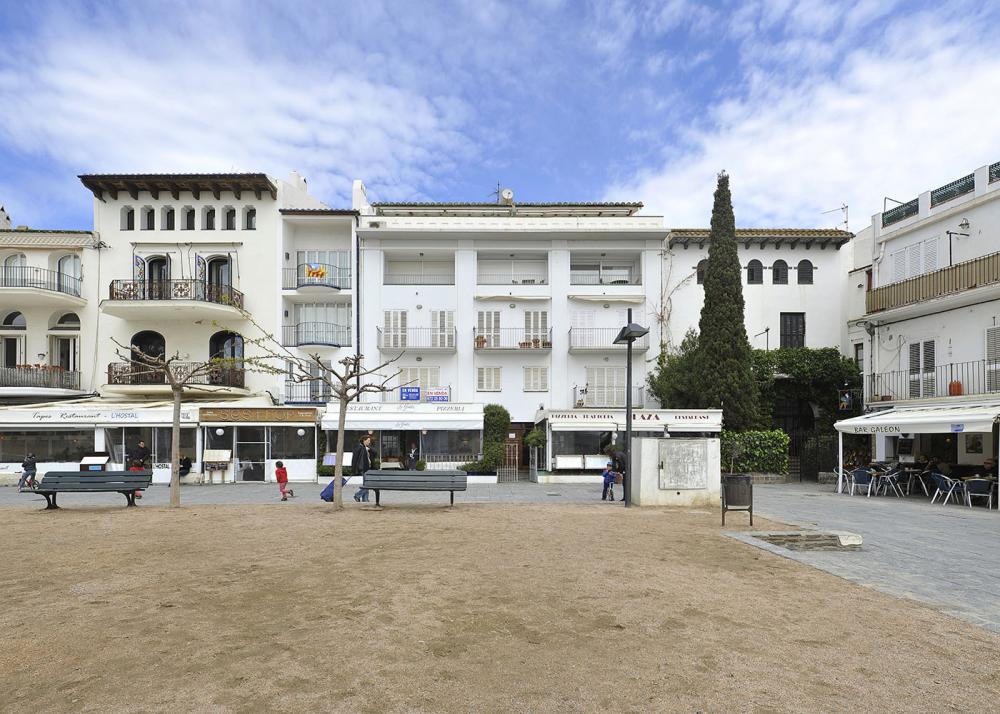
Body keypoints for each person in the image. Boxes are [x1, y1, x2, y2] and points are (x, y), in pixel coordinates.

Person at [352, 435, 373, 502]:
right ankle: (357, 495)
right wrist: (354, 469)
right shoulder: (360, 448)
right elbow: (355, 459)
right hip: (364, 468)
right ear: (364, 440)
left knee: (366, 484)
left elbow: (374, 453)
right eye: (368, 440)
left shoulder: (365, 448)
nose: (369, 442)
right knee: (367, 485)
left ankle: (365, 499)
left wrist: (369, 449)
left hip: (367, 468)